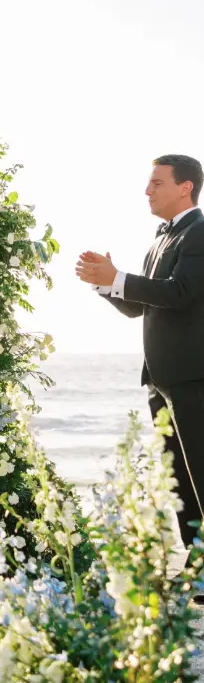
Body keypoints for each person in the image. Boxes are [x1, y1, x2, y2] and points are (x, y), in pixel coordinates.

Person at [77, 154, 204, 549]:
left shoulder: (199, 233)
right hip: (159, 380)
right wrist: (106, 283)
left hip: (193, 378)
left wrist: (120, 278)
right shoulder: (159, 240)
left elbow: (181, 293)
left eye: (157, 183)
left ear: (185, 187)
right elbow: (140, 307)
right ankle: (198, 564)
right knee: (178, 479)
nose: (147, 190)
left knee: (200, 474)